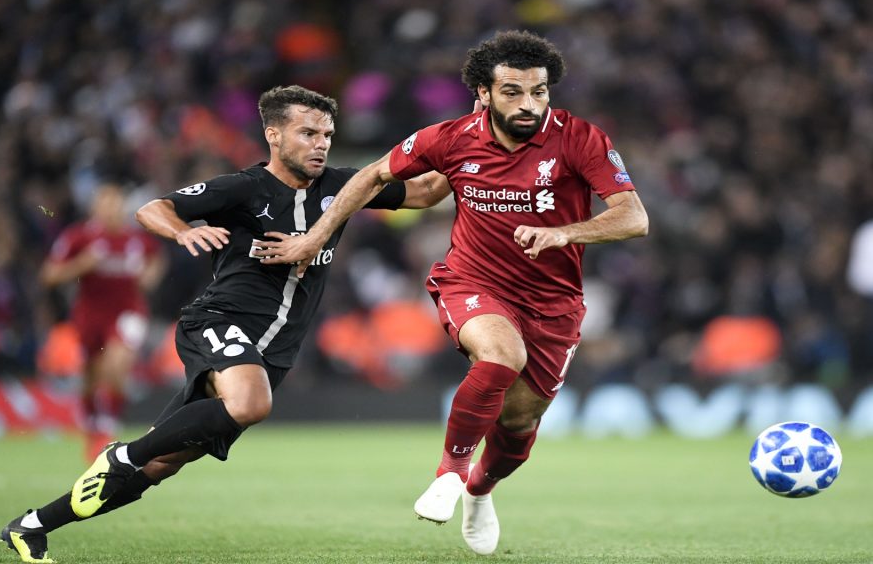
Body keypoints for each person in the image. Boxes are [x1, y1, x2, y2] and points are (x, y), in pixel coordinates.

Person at [0, 84, 451, 564]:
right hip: (218, 322)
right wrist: (184, 231)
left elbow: (425, 192)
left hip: (273, 352)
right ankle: (121, 454)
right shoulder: (243, 188)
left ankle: (33, 525)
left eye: (327, 135)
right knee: (249, 404)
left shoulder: (342, 187)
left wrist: (471, 148)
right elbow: (152, 209)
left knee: (161, 463)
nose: (321, 144)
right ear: (273, 135)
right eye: (308, 133)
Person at [259, 30, 649, 555]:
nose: (528, 104)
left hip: (553, 303)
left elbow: (633, 217)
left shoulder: (580, 139)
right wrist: (315, 236)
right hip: (473, 281)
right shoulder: (450, 137)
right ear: (483, 93)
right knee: (501, 354)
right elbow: (375, 176)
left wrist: (565, 233)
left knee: (518, 426)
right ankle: (450, 472)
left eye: (538, 92)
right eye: (512, 91)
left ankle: (480, 491)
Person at [40, 182, 165, 461]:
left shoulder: (136, 239)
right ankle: (92, 427)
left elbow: (157, 257)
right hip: (90, 315)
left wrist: (151, 275)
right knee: (89, 377)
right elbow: (48, 275)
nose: (111, 211)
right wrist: (81, 265)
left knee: (116, 366)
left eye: (115, 205)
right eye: (105, 205)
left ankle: (108, 427)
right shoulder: (79, 237)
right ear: (95, 209)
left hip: (128, 312)